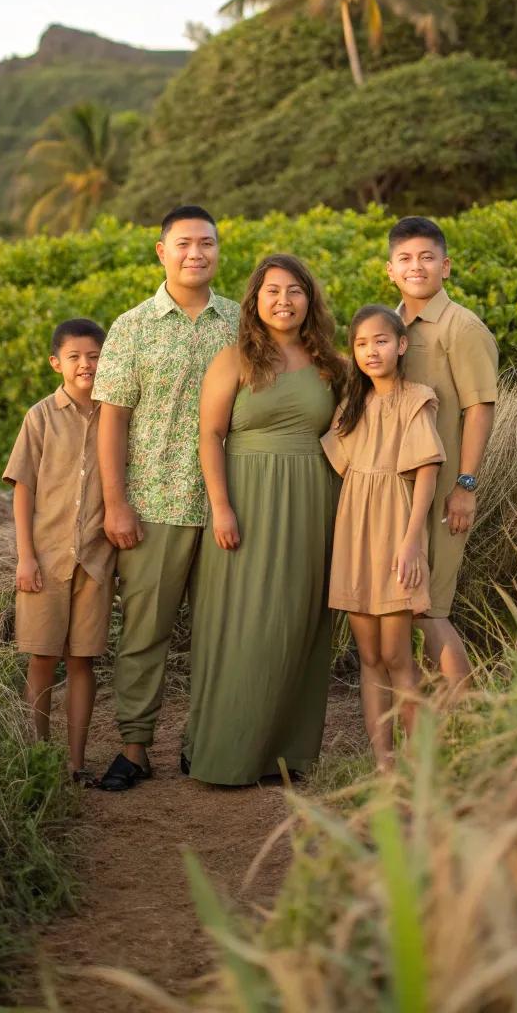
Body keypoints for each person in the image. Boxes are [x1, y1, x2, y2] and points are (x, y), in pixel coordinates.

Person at [93, 205, 239, 792]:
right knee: (145, 632)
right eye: (184, 244)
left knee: (221, 631)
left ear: (218, 251)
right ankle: (135, 746)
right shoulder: (133, 326)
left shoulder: (239, 321)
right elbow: (112, 420)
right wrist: (116, 502)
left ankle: (207, 742)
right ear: (162, 252)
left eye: (206, 243)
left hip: (230, 502)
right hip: (154, 502)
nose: (196, 253)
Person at [184, 254, 344, 785]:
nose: (284, 300)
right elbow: (210, 435)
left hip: (312, 498)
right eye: (272, 291)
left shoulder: (331, 363)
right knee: (244, 623)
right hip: (245, 496)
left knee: (297, 619)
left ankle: (289, 751)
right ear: (254, 300)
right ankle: (226, 752)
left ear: (309, 300)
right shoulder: (232, 360)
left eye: (295, 290)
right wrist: (222, 506)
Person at [322, 305, 444, 769]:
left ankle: (418, 761)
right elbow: (341, 463)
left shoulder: (417, 398)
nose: (372, 351)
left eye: (381, 341)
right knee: (369, 654)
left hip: (397, 527)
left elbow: (428, 474)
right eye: (361, 344)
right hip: (356, 529)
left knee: (396, 654)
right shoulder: (353, 406)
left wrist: (412, 541)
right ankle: (384, 763)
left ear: (402, 345)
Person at [386, 216, 498, 694]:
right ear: (389, 269)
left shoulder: (461, 327)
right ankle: (441, 720)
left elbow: (480, 408)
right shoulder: (389, 327)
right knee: (410, 607)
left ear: (446, 266)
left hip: (444, 489)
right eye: (406, 259)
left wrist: (465, 487)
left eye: (427, 257)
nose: (417, 267)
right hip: (399, 492)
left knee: (430, 607)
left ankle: (469, 723)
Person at [4, 318, 113, 786]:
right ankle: (37, 757)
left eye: (93, 355)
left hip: (96, 558)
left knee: (84, 659)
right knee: (42, 657)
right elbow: (23, 488)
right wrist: (25, 557)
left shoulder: (116, 414)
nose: (85, 364)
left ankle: (76, 761)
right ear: (56, 363)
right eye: (75, 357)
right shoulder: (41, 416)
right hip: (46, 559)